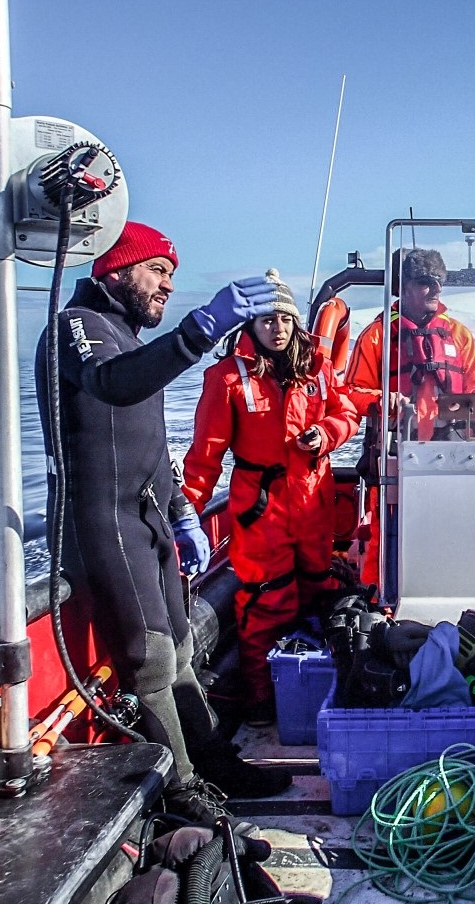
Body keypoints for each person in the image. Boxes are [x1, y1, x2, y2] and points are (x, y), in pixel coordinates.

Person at [35, 222, 293, 825]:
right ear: (115, 269)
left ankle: (213, 761)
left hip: (147, 518)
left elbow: (149, 444)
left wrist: (181, 512)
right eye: (156, 271)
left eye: (172, 276)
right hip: (100, 523)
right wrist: (199, 330)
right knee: (149, 659)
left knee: (179, 648)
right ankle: (181, 792)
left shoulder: (129, 339)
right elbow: (110, 384)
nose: (167, 286)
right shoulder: (76, 326)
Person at [181, 269, 359, 727]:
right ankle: (262, 702)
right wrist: (186, 515)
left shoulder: (317, 368)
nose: (276, 328)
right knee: (266, 602)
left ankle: (319, 689)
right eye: (266, 320)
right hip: (262, 511)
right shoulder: (226, 378)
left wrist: (326, 433)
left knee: (319, 590)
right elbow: (205, 456)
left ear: (294, 322)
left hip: (313, 503)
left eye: (284, 319)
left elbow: (347, 413)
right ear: (251, 325)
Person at [342, 248, 475, 583]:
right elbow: (351, 393)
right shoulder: (378, 335)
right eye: (426, 282)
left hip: (451, 453)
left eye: (439, 281)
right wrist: (384, 400)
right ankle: (380, 595)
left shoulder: (458, 334)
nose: (435, 289)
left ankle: (453, 589)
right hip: (394, 454)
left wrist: (468, 403)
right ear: (405, 287)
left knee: (453, 528)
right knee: (387, 533)